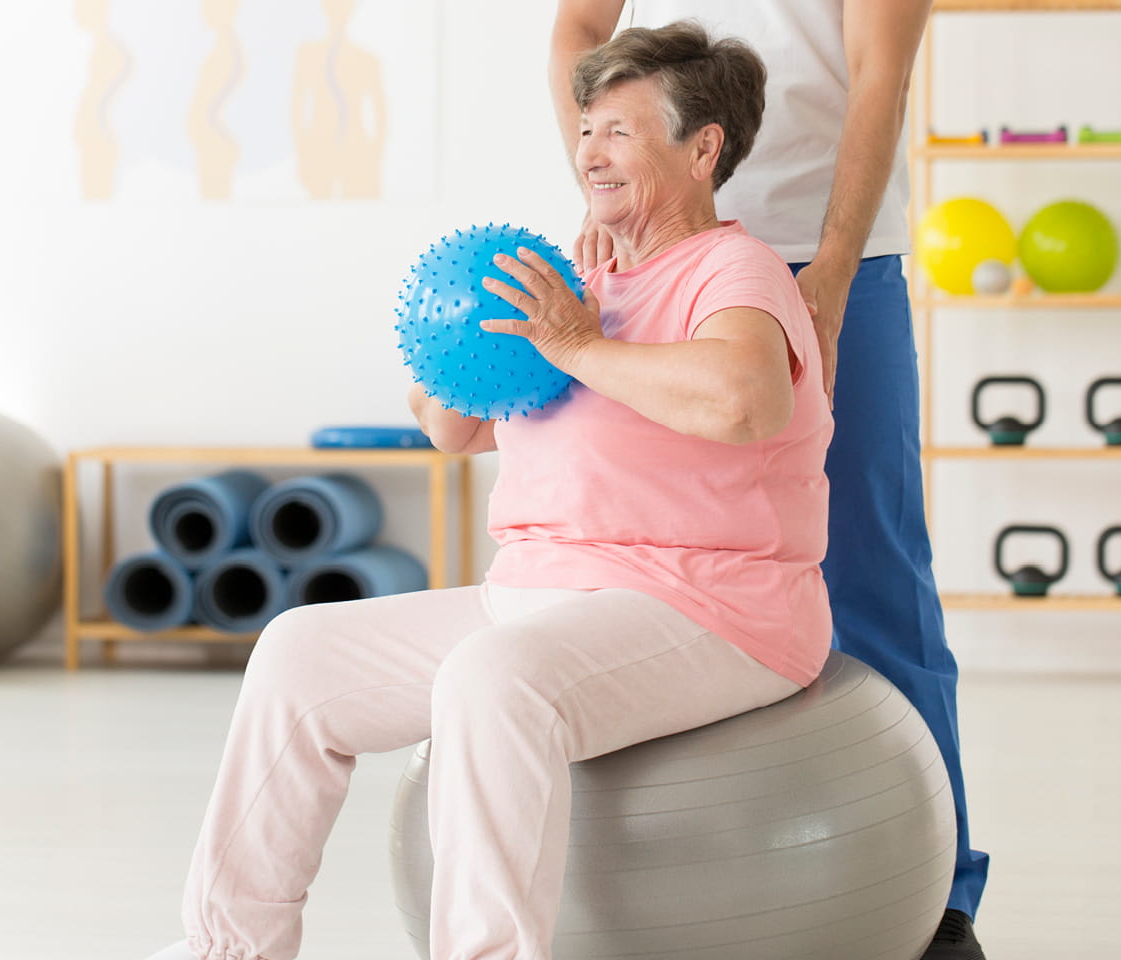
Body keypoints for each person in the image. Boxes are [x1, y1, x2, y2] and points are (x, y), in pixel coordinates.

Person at [146, 23, 832, 960]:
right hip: (532, 596)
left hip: (708, 607)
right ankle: (227, 949)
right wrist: (459, 340)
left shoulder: (732, 270)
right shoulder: (572, 281)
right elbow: (453, 431)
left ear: (703, 148)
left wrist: (577, 347)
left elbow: (743, 400)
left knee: (491, 677)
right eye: (588, 128)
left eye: (622, 132)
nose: (591, 152)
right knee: (297, 653)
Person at [551, 4, 989, 959]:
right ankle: (646, 877)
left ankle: (942, 897)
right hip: (662, 244)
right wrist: (608, 194)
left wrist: (831, 268)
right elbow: (578, 30)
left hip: (834, 255)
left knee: (873, 566)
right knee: (637, 550)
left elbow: (881, 74)